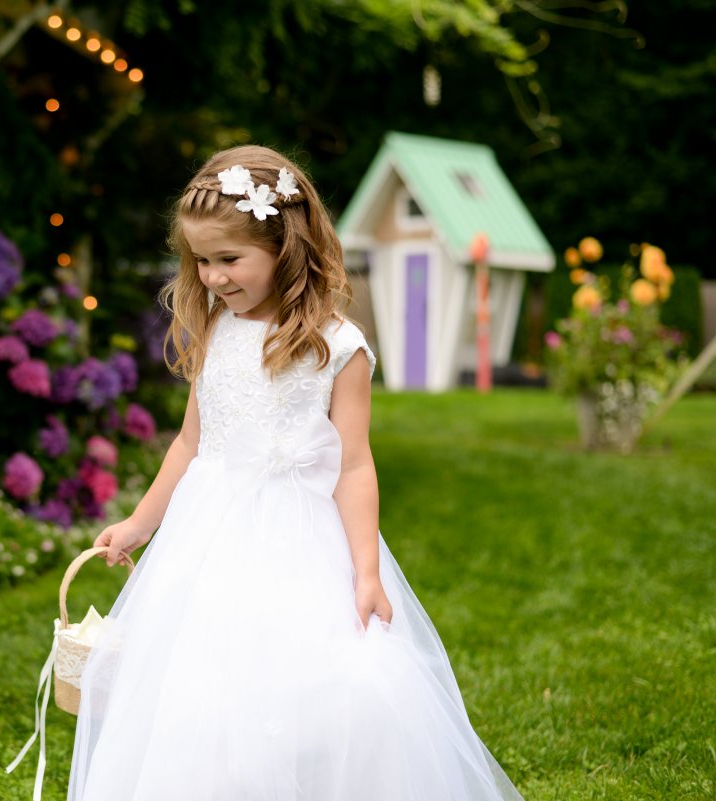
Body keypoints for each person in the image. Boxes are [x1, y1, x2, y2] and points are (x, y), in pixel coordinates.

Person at [70, 147, 524, 800]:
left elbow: (354, 464)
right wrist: (141, 524)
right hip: (207, 538)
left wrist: (366, 571)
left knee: (307, 686)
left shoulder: (337, 347)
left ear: (284, 244)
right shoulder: (216, 331)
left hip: (297, 540)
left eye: (229, 259)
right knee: (198, 683)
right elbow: (192, 443)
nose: (213, 276)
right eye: (201, 260)